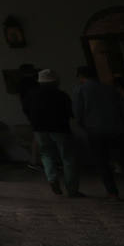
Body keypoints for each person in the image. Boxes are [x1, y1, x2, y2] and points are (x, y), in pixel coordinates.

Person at [73, 64, 124, 201]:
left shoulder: (80, 90)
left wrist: (83, 127)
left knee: (102, 162)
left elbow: (78, 112)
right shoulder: (110, 88)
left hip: (94, 130)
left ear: (81, 76)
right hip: (116, 128)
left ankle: (112, 192)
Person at [26, 68, 79, 196]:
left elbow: (26, 110)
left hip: (39, 128)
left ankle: (52, 178)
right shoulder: (61, 95)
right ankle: (72, 189)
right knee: (67, 157)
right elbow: (70, 112)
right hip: (60, 128)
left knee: (46, 154)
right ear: (55, 82)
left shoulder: (31, 95)